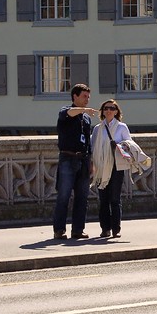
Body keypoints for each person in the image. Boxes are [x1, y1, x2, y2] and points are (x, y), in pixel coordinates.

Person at [53, 84, 98, 240]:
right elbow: (70, 113)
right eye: (84, 96)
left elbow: (88, 141)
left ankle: (78, 229)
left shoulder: (86, 118)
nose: (87, 100)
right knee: (64, 196)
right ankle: (59, 230)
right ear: (75, 96)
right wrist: (85, 110)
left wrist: (90, 161)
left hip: (83, 159)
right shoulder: (65, 111)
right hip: (68, 158)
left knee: (82, 197)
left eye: (88, 97)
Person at [91, 99, 132, 238]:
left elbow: (130, 145)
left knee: (115, 198)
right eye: (106, 108)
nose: (108, 110)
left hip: (117, 166)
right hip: (101, 166)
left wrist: (119, 146)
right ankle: (105, 229)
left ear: (116, 111)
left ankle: (116, 229)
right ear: (102, 111)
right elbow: (93, 147)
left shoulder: (122, 127)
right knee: (103, 199)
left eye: (112, 108)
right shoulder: (97, 128)